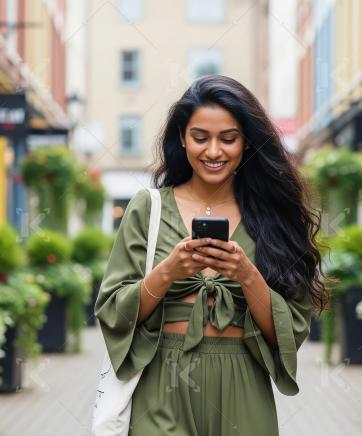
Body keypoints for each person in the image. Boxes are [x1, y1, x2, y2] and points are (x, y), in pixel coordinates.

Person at [95, 74, 328, 435]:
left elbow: (291, 331)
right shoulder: (149, 207)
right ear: (183, 140)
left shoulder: (271, 216)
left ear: (247, 142)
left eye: (228, 139)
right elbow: (112, 310)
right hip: (162, 384)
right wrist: (168, 271)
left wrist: (247, 276)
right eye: (200, 137)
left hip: (244, 383)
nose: (214, 151)